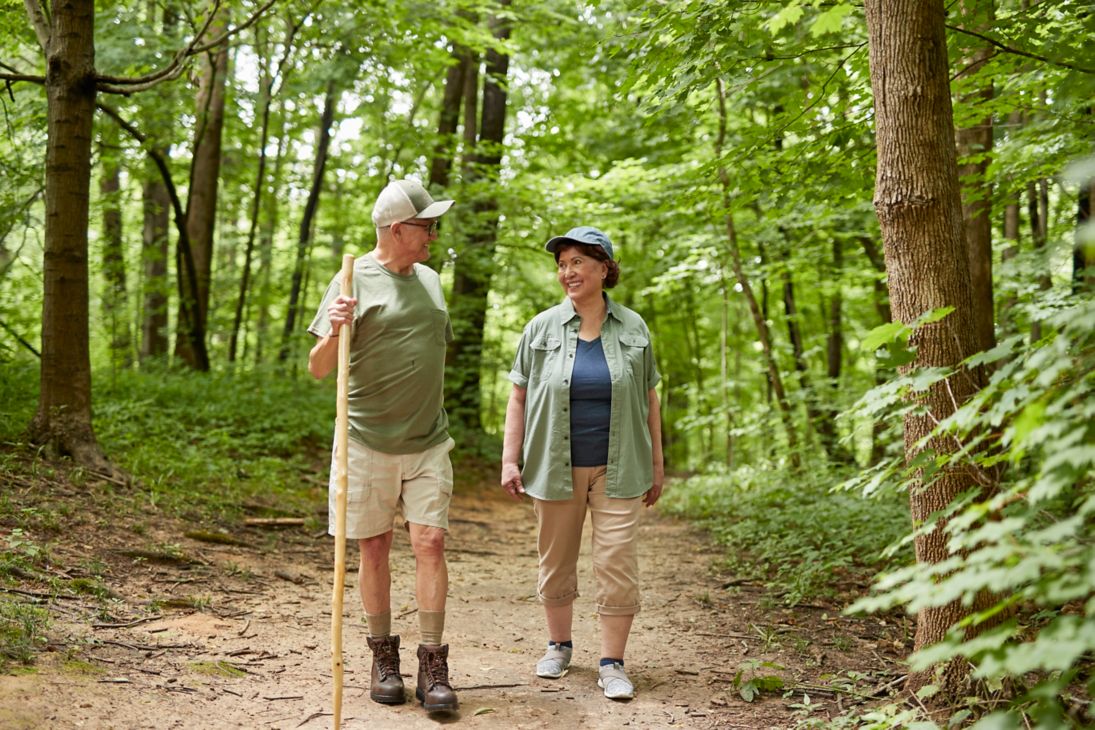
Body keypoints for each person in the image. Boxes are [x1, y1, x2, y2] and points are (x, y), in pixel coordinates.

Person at [307, 178, 459, 712]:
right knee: (374, 547)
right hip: (366, 440)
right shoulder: (352, 279)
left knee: (430, 544)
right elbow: (318, 369)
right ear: (398, 229)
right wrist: (334, 328)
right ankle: (382, 657)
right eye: (427, 226)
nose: (434, 235)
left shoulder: (433, 281)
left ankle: (434, 663)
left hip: (427, 440)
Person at [500, 225, 665, 701]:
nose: (567, 272)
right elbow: (519, 397)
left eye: (576, 263)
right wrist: (511, 460)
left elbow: (650, 399)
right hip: (553, 465)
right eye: (562, 264)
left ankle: (612, 662)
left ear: (604, 268)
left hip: (621, 467)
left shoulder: (634, 327)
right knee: (556, 562)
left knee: (617, 563)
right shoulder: (540, 328)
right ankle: (559, 645)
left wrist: (657, 464)